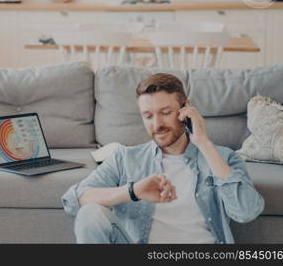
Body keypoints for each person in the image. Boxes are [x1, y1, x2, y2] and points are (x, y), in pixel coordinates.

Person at [61, 73, 264, 244]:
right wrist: (133, 191)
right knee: (91, 214)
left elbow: (246, 211)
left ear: (186, 109)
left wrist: (203, 143)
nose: (157, 125)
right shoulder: (125, 159)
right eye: (148, 116)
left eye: (165, 113)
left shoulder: (222, 157)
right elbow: (73, 200)